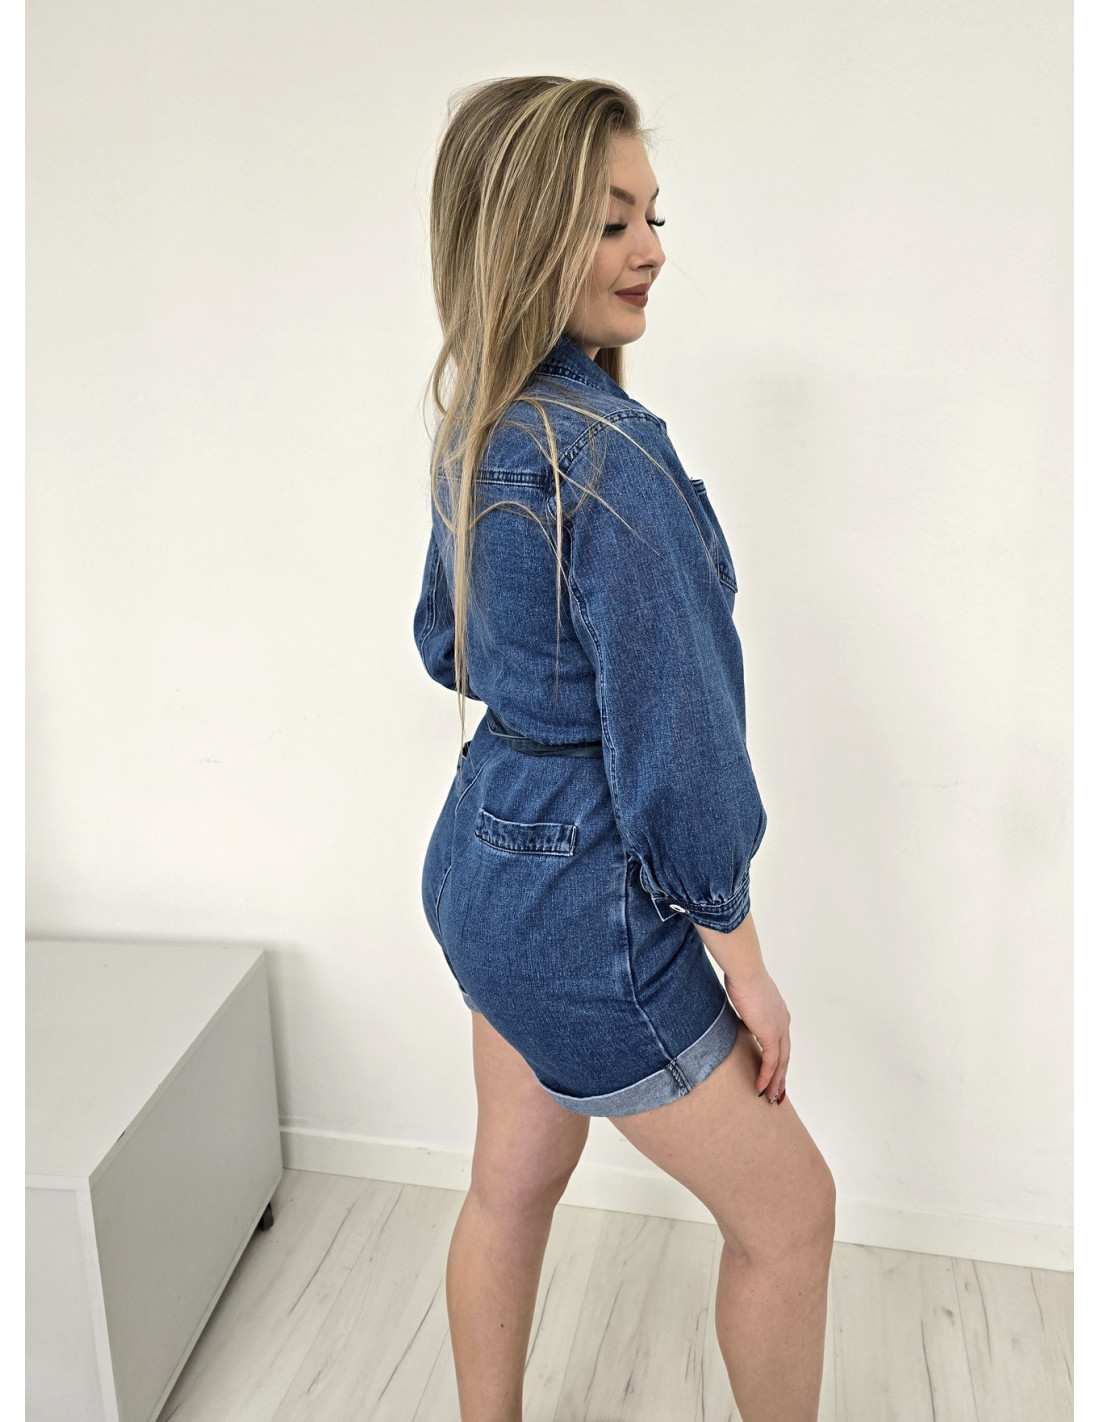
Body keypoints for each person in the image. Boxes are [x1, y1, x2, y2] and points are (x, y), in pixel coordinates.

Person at [413, 75, 835, 1422]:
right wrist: (744, 967)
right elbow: (682, 757)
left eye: (653, 215)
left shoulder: (481, 423)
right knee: (796, 1217)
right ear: (526, 233)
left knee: (508, 1184)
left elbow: (443, 642)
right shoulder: (612, 458)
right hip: (578, 903)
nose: (650, 249)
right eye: (610, 222)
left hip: (478, 865)